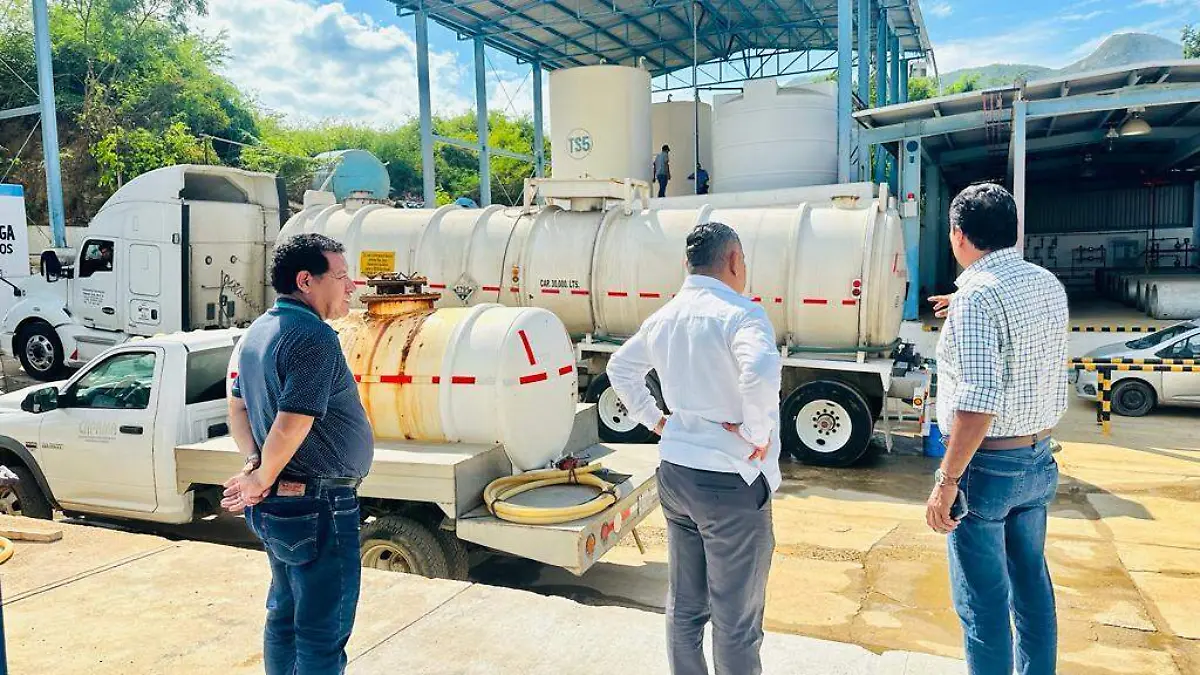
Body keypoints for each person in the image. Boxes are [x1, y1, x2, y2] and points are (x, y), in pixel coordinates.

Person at [607, 221, 781, 675]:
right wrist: (757, 433)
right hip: (728, 481)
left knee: (685, 604)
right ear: (735, 260)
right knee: (736, 618)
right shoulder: (741, 314)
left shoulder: (663, 317)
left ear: (687, 263)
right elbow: (760, 369)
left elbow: (620, 368)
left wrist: (656, 420)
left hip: (676, 474)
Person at [926, 183, 1068, 675]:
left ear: (958, 235)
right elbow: (1020, 332)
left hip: (987, 467)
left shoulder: (977, 298)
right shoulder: (1045, 283)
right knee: (1032, 590)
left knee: (982, 605)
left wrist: (946, 482)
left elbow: (978, 403)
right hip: (1038, 460)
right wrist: (963, 307)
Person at [222, 232, 374, 675]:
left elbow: (237, 407)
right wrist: (260, 476)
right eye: (341, 277)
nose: (351, 287)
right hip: (318, 505)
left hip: (283, 505)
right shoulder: (313, 336)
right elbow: (293, 421)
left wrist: (255, 467)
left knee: (285, 617)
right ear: (306, 280)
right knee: (322, 632)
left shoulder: (258, 331)